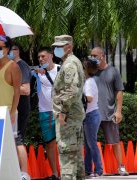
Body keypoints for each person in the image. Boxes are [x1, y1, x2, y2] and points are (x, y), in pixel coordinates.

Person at [0, 35, 28, 179]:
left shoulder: (13, 66)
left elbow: (17, 91)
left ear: (7, 49)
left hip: (8, 112)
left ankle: (24, 173)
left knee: (16, 142)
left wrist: (12, 112)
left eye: (0, 47)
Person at [90, 47, 129, 176]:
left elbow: (119, 91)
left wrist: (118, 111)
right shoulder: (90, 72)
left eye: (95, 55)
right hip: (91, 113)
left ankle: (121, 167)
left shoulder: (113, 71)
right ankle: (91, 169)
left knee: (115, 141)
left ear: (103, 55)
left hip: (109, 112)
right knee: (90, 142)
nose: (93, 58)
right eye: (91, 55)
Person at [52, 35, 85, 179]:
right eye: (55, 47)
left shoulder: (69, 64)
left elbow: (71, 90)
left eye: (59, 47)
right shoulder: (72, 61)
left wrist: (63, 112)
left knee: (66, 154)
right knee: (75, 154)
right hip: (73, 115)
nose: (56, 49)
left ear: (69, 47)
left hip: (68, 116)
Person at [32, 47, 60, 180]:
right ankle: (54, 173)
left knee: (65, 143)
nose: (41, 59)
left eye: (43, 56)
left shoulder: (61, 70)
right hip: (45, 112)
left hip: (61, 112)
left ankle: (68, 172)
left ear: (51, 56)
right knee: (49, 143)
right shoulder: (36, 72)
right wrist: (36, 72)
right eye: (39, 57)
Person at [9, 43, 31, 178]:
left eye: (14, 49)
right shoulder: (11, 66)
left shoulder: (21, 66)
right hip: (13, 109)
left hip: (21, 109)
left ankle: (23, 172)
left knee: (18, 140)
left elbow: (26, 90)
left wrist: (6, 86)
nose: (11, 52)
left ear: (19, 52)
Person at [82, 58, 103, 178]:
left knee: (92, 144)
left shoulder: (89, 82)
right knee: (88, 145)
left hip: (91, 115)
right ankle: (88, 169)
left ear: (86, 69)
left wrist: (78, 95)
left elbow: (89, 98)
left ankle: (98, 170)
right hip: (89, 116)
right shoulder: (87, 81)